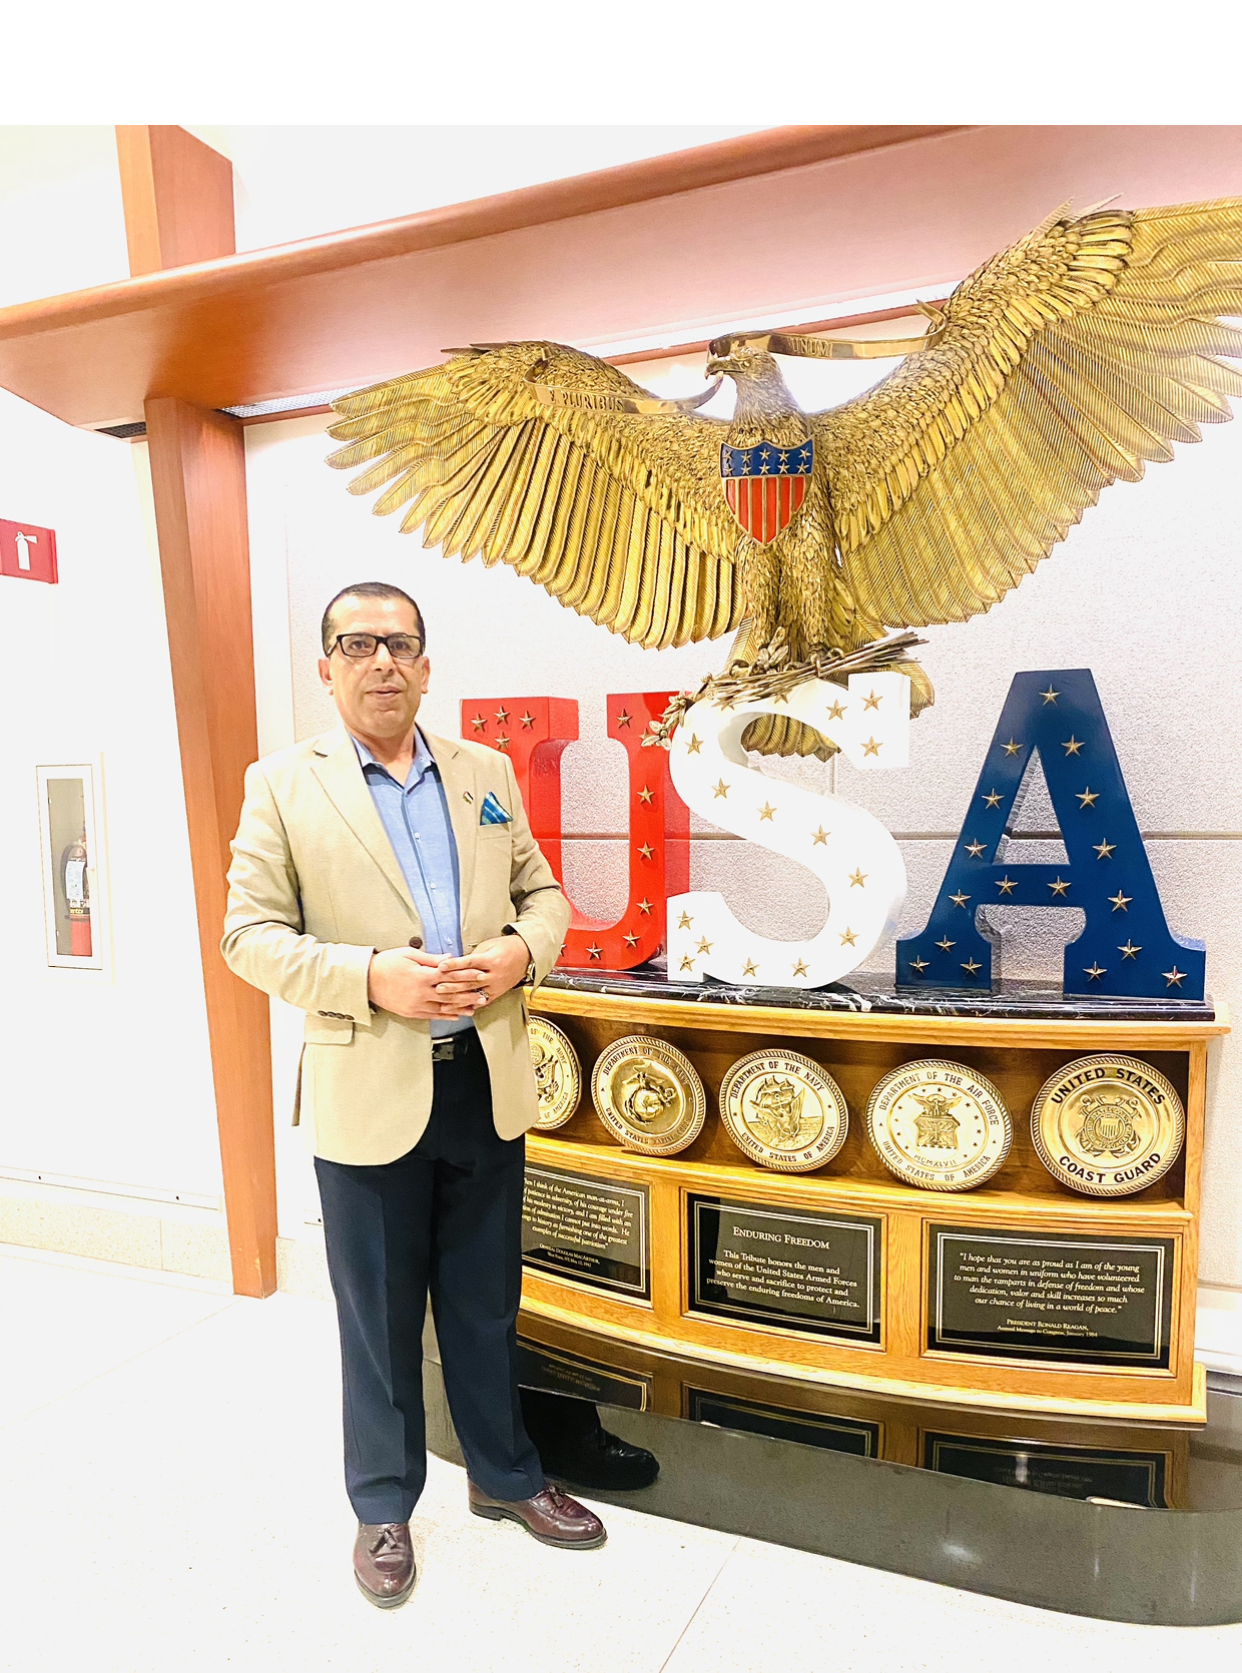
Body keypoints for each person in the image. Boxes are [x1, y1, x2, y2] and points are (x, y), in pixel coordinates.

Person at [221, 582, 653, 1609]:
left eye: (400, 643)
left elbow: (544, 895)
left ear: (425, 663)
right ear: (326, 666)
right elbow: (248, 937)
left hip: (484, 1081)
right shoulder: (281, 784)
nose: (382, 661)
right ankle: (382, 1504)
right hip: (368, 1085)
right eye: (357, 643)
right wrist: (370, 975)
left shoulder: (484, 771)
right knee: (376, 1317)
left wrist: (518, 953)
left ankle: (505, 1474)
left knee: (485, 1300)